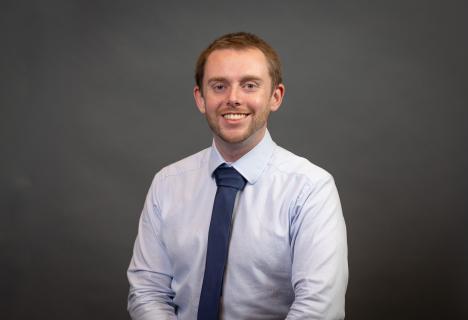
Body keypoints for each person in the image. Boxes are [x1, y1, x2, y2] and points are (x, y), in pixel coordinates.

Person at [127, 32, 348, 320]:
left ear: (275, 97)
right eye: (219, 86)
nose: (233, 98)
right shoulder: (167, 184)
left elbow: (319, 308)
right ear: (200, 98)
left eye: (249, 85)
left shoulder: (311, 188)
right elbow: (147, 292)